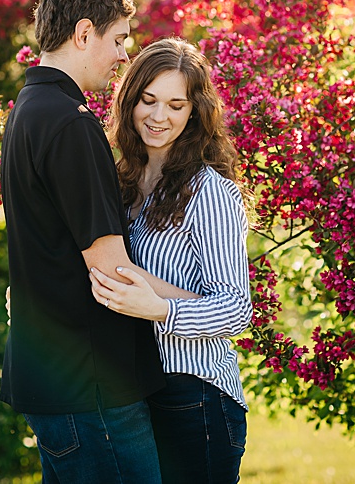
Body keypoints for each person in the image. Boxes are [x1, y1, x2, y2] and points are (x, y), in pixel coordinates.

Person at [0, 0, 193, 483]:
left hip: (54, 379)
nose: (124, 56)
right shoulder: (71, 123)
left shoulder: (26, 112)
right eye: (119, 39)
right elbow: (111, 272)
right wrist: (198, 307)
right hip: (92, 388)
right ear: (84, 34)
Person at [88, 37, 252, 484]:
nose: (159, 117)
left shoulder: (209, 191)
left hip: (195, 393)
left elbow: (237, 308)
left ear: (195, 113)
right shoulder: (119, 183)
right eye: (149, 100)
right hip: (135, 391)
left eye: (176, 105)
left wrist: (160, 309)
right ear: (130, 99)